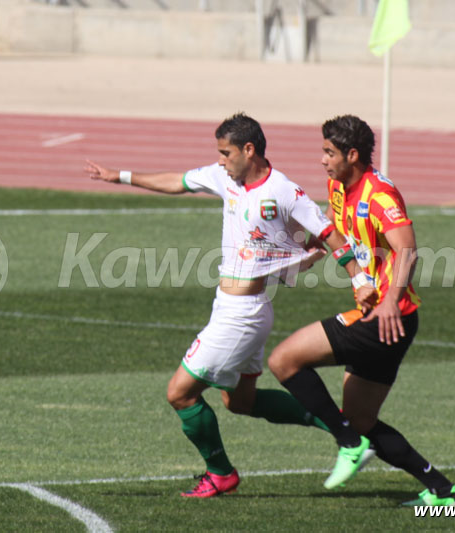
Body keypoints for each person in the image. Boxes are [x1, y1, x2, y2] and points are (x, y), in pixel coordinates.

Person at [85, 113, 369, 498]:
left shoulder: (284, 192)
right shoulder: (226, 177)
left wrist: (358, 276)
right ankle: (345, 431)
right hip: (233, 308)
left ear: (248, 150)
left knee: (180, 394)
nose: (219, 160)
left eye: (225, 152)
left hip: (244, 316)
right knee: (240, 402)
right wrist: (118, 175)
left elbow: (329, 233)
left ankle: (221, 474)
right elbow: (178, 182)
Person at [268, 114, 455, 507]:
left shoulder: (380, 195)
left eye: (329, 152)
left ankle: (348, 443)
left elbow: (408, 249)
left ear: (351, 154)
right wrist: (314, 251)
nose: (322, 159)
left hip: (387, 318)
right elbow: (339, 232)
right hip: (393, 321)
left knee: (284, 360)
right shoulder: (339, 187)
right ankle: (443, 491)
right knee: (361, 419)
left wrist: (390, 298)